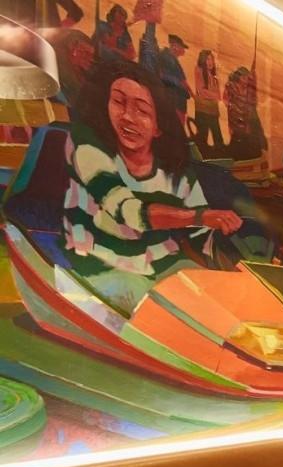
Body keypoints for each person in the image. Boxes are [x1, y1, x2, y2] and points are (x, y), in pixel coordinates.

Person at [64, 61, 243, 314]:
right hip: (100, 265)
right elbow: (128, 211)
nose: (127, 116)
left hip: (162, 265)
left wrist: (235, 275)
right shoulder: (89, 150)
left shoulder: (176, 173)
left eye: (142, 111)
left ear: (159, 126)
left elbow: (202, 236)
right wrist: (201, 217)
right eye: (118, 102)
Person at [223, 65, 265, 160]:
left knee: (246, 139)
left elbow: (253, 101)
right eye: (244, 77)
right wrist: (234, 107)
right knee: (237, 138)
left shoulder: (248, 89)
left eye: (247, 77)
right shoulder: (231, 86)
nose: (246, 79)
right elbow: (226, 100)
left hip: (244, 119)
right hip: (235, 118)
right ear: (239, 77)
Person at [154, 35, 191, 125]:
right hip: (172, 98)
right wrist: (178, 83)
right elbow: (162, 75)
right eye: (182, 47)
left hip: (179, 99)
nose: (183, 50)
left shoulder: (174, 60)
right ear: (175, 46)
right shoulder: (164, 56)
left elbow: (183, 80)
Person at [191, 49, 222, 154]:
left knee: (218, 138)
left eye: (212, 59)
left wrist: (215, 95)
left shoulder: (214, 76)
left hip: (213, 111)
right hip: (203, 110)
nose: (210, 62)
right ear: (203, 60)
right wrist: (214, 95)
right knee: (202, 139)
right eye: (208, 59)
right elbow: (201, 91)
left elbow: (219, 95)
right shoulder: (198, 70)